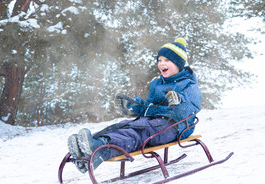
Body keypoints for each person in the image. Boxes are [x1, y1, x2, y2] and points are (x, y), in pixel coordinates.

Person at [67, 38, 203, 173]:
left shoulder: (189, 84)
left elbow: (190, 108)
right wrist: (133, 105)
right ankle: (88, 145)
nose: (162, 64)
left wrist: (178, 101)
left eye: (167, 60)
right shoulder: (156, 84)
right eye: (160, 60)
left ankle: (100, 148)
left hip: (175, 127)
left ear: (178, 63)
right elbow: (150, 108)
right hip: (154, 121)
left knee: (138, 132)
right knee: (126, 125)